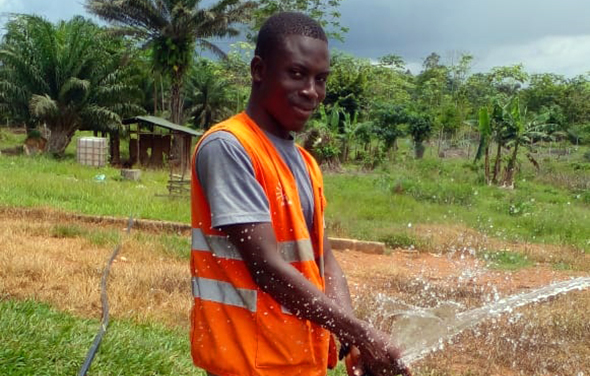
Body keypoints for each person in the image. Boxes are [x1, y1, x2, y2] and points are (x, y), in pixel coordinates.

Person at [189, 11, 412, 376]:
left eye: (320, 79)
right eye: (296, 73)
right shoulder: (229, 148)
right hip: (248, 363)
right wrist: (364, 334)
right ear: (258, 70)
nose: (312, 91)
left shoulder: (306, 164)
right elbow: (265, 267)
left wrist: (353, 341)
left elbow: (326, 262)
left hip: (299, 362)